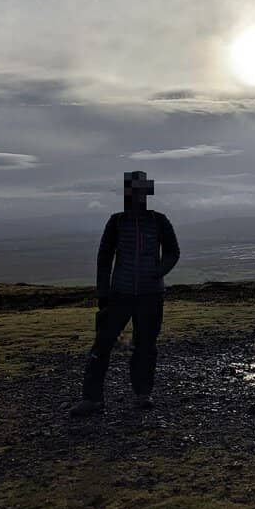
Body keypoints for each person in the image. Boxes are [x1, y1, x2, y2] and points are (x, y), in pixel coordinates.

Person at [69, 170, 180, 416]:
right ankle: (91, 398)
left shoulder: (159, 221)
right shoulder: (116, 221)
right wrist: (103, 293)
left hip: (151, 295)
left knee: (146, 346)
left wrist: (157, 272)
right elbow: (104, 259)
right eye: (132, 192)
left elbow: (173, 252)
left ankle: (142, 394)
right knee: (102, 344)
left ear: (145, 194)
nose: (136, 197)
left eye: (139, 192)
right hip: (119, 294)